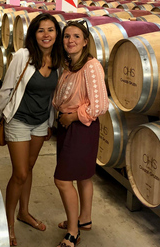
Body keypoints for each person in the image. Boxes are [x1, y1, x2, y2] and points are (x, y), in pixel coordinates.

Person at [0, 13, 64, 246]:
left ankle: (24, 212)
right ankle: (8, 222)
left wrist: (51, 122)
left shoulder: (58, 60)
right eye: (41, 30)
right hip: (18, 120)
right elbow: (7, 88)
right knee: (20, 173)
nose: (46, 34)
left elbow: (53, 96)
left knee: (30, 168)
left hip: (41, 122)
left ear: (56, 33)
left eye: (51, 30)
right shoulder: (23, 56)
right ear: (34, 34)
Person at [52, 20, 109, 247]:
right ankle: (84, 220)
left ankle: (73, 233)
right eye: (67, 36)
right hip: (69, 126)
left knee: (62, 180)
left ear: (86, 41)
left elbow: (100, 106)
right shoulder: (70, 65)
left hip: (80, 128)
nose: (71, 40)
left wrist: (72, 117)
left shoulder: (91, 66)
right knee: (84, 177)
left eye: (76, 36)